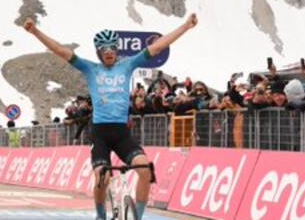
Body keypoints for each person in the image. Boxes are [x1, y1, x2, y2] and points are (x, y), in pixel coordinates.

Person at [23, 14, 198, 220]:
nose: (109, 52)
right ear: (98, 52)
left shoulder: (128, 65)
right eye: (104, 49)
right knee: (102, 178)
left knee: (145, 171)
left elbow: (158, 46)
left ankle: (138, 217)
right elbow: (61, 51)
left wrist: (186, 26)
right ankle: (100, 216)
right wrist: (35, 31)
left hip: (122, 133)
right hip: (100, 134)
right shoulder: (90, 68)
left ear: (117, 50)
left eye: (112, 48)